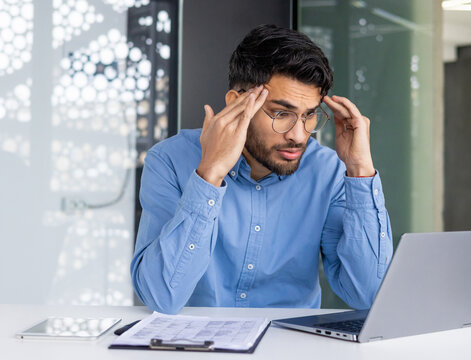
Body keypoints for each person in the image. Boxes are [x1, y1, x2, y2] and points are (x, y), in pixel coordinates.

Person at [131, 24, 392, 314]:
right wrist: (209, 175)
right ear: (239, 103)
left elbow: (368, 294)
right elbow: (161, 296)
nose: (299, 134)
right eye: (281, 114)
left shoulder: (328, 172)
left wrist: (360, 171)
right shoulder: (169, 161)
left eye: (309, 116)